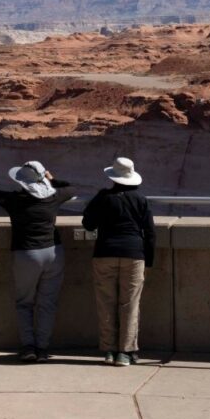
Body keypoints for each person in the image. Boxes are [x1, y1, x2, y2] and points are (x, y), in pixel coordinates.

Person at [0, 161, 74, 363]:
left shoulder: (15, 200)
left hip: (26, 255)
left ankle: (29, 347)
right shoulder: (54, 196)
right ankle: (42, 348)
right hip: (53, 252)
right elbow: (70, 188)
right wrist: (51, 179)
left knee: (25, 303)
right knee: (47, 303)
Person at [81, 157, 155, 367]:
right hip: (134, 254)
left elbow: (88, 223)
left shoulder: (103, 197)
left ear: (112, 177)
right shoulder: (141, 200)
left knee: (106, 303)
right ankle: (126, 351)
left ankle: (110, 351)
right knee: (130, 304)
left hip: (105, 253)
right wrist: (147, 260)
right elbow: (149, 233)